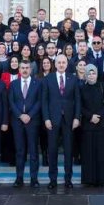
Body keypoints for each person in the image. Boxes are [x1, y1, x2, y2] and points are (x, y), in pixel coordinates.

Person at [42, 55, 81, 189]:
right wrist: (46, 118)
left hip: (69, 120)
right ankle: (52, 179)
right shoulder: (48, 79)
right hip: (52, 120)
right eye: (59, 62)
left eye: (64, 62)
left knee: (68, 151)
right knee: (52, 150)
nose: (61, 64)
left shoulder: (73, 79)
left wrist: (77, 117)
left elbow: (77, 100)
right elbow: (44, 101)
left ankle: (68, 179)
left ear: (67, 64)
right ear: (55, 63)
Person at [9, 60, 41, 188]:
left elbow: (39, 101)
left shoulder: (37, 84)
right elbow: (11, 101)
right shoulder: (13, 84)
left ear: (31, 69)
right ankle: (19, 178)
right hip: (17, 121)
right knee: (20, 151)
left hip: (33, 121)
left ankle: (34, 179)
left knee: (33, 151)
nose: (25, 70)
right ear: (19, 69)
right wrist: (20, 115)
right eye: (22, 67)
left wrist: (29, 115)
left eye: (27, 67)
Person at [79, 64, 104, 187]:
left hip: (102, 125)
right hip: (88, 125)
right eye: (89, 73)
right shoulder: (82, 88)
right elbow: (80, 106)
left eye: (93, 73)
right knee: (89, 154)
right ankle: (89, 179)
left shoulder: (103, 86)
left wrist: (99, 115)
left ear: (97, 74)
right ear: (85, 75)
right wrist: (90, 116)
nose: (91, 75)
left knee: (102, 153)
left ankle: (102, 179)